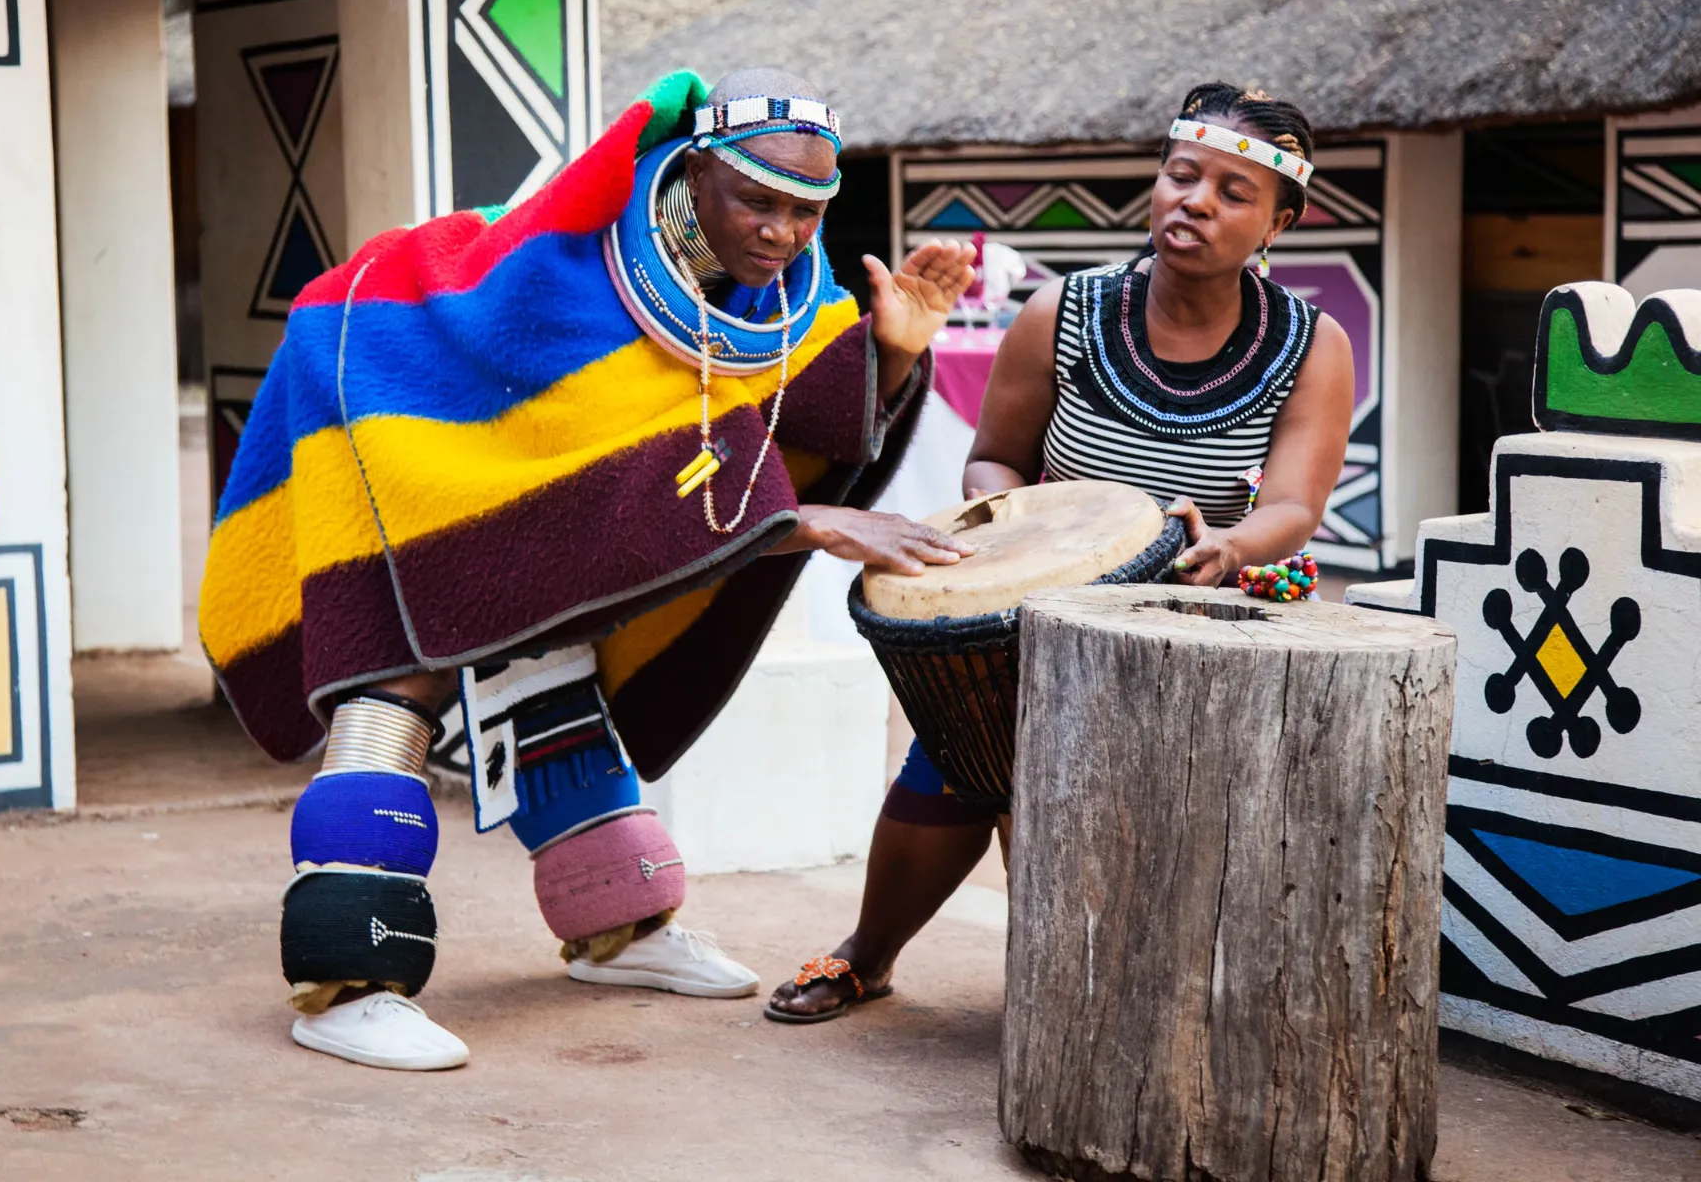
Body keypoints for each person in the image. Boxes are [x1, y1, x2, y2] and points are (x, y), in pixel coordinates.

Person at [199, 67, 979, 1070]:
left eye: (806, 210)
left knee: (551, 642)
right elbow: (596, 468)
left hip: (474, 414)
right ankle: (348, 973)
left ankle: (615, 923)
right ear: (695, 171)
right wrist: (807, 520)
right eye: (758, 200)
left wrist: (893, 353)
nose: (782, 232)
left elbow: (789, 414)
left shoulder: (774, 289)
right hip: (393, 393)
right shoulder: (570, 269)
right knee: (404, 656)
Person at [765, 82, 1356, 1023]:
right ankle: (868, 952)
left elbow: (1292, 504)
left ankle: (1130, 990)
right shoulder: (1063, 312)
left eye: (1233, 192)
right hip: (1047, 611)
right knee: (955, 763)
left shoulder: (1309, 345)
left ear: (1281, 220)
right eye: (1181, 175)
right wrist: (1013, 529)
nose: (1194, 202)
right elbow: (995, 455)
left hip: (1206, 609)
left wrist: (1233, 544)